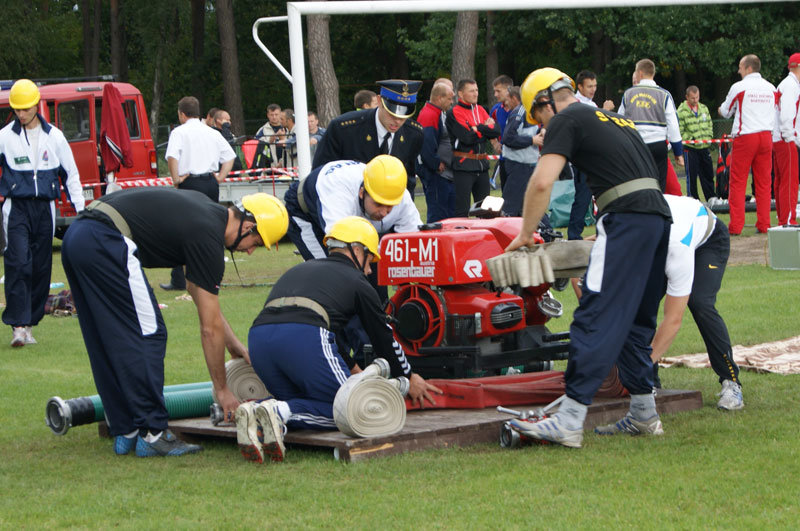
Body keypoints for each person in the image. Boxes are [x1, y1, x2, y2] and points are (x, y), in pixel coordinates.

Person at [506, 68, 672, 448]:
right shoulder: (615, 118)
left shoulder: (566, 117)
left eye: (539, 118)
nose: (543, 127)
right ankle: (645, 413)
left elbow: (543, 181)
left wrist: (524, 233)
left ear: (545, 102)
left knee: (595, 314)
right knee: (635, 321)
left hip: (626, 219)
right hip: (658, 219)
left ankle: (569, 418)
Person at [61, 189, 289, 457]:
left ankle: (126, 430)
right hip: (106, 239)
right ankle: (154, 433)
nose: (250, 251)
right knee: (150, 335)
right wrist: (222, 389)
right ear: (249, 226)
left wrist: (234, 345)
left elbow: (199, 295)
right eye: (256, 242)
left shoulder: (203, 212)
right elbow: (209, 328)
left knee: (108, 338)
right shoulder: (207, 236)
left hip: (77, 237)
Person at [238, 216, 442, 463]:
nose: (369, 270)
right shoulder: (357, 282)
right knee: (349, 409)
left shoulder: (300, 269)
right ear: (357, 250)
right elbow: (383, 337)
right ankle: (277, 412)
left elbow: (331, 330)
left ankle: (256, 410)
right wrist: (409, 377)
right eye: (370, 261)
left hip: (259, 339)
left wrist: (352, 367)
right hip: (302, 336)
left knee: (302, 401)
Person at [0, 79, 85, 347]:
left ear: (36, 105)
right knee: (18, 263)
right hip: (16, 208)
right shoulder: (4, 137)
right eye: (17, 109)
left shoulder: (55, 137)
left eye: (25, 109)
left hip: (45, 209)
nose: (21, 114)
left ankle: (30, 322)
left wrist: (81, 209)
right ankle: (18, 326)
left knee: (39, 267)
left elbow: (71, 174)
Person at [649, 194, 743, 410]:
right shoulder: (624, 219)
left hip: (707, 241)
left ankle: (731, 382)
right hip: (667, 239)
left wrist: (645, 362)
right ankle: (649, 384)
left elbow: (673, 319)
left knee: (700, 302)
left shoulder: (676, 245)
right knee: (644, 303)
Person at [160, 96, 236, 291]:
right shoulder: (211, 132)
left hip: (190, 182)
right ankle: (214, 275)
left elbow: (172, 157)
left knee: (181, 229)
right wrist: (220, 177)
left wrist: (175, 179)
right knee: (213, 227)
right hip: (210, 183)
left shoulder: (179, 132)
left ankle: (178, 279)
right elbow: (230, 156)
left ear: (182, 114)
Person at [283, 155, 422, 261]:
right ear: (362, 193)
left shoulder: (400, 196)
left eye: (390, 206)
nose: (384, 212)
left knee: (372, 273)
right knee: (331, 271)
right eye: (378, 204)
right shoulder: (338, 195)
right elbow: (341, 245)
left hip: (352, 215)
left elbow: (415, 243)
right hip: (305, 210)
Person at [313, 80, 424, 195]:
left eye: (403, 116)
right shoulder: (344, 129)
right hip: (346, 200)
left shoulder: (413, 134)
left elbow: (408, 180)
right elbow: (320, 173)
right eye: (391, 113)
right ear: (379, 101)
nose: (397, 120)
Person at [719, 54, 777, 235]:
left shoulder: (739, 87)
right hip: (766, 136)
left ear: (748, 68)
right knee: (764, 182)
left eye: (740, 67)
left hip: (746, 136)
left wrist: (720, 109)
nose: (738, 71)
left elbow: (726, 112)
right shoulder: (771, 88)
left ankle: (736, 226)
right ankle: (764, 224)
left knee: (737, 181)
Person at [619, 58, 684, 190]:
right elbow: (673, 126)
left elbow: (620, 121)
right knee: (659, 186)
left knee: (638, 184)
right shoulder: (664, 95)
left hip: (636, 145)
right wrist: (678, 152)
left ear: (640, 74)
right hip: (658, 145)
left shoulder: (628, 94)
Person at [568, 70, 614, 240]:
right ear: (580, 86)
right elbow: (590, 124)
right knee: (582, 197)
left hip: (595, 157)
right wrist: (605, 111)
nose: (593, 89)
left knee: (602, 194)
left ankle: (601, 230)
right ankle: (574, 235)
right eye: (589, 86)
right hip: (583, 158)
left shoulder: (591, 104)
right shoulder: (576, 103)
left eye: (595, 86)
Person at [446, 78, 501, 217]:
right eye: (471, 91)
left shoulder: (481, 109)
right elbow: (466, 138)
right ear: (461, 93)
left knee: (486, 210)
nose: (475, 93)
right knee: (462, 210)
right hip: (464, 165)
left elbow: (496, 131)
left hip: (482, 165)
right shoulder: (454, 112)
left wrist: (477, 128)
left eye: (476, 90)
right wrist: (485, 129)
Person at [416, 81, 456, 222]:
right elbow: (425, 144)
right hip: (436, 174)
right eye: (449, 99)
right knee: (438, 213)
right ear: (439, 98)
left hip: (441, 174)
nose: (451, 102)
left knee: (447, 211)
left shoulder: (436, 113)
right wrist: (435, 162)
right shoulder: (430, 115)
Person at [501, 86, 544, 216]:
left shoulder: (529, 112)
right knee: (511, 206)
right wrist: (532, 140)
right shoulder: (519, 112)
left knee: (530, 204)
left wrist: (541, 132)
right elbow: (508, 138)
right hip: (518, 165)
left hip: (527, 165)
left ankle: (543, 232)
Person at [772, 53, 800, 225]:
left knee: (782, 180)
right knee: (789, 180)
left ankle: (783, 217)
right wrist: (791, 137)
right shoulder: (791, 86)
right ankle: (788, 218)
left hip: (780, 137)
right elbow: (788, 115)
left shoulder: (788, 84)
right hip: (785, 138)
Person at [677, 86, 716, 201]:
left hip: (704, 147)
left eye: (697, 97)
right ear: (687, 97)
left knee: (708, 174)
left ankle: (711, 198)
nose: (695, 100)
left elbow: (709, 124)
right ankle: (693, 199)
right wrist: (692, 139)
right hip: (690, 149)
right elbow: (679, 131)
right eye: (693, 98)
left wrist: (708, 136)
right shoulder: (681, 112)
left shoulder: (704, 108)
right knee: (692, 176)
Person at [489, 75, 513, 190]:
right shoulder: (496, 109)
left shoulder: (522, 108)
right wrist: (495, 143)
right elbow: (488, 127)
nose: (495, 95)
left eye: (498, 91)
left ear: (509, 89)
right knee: (506, 196)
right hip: (504, 158)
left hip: (522, 160)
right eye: (494, 91)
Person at [254, 103, 287, 167]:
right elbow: (256, 145)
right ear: (268, 115)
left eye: (276, 114)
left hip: (287, 165)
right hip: (271, 166)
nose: (274, 117)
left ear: (280, 114)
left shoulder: (287, 128)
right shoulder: (263, 130)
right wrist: (272, 138)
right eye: (271, 115)